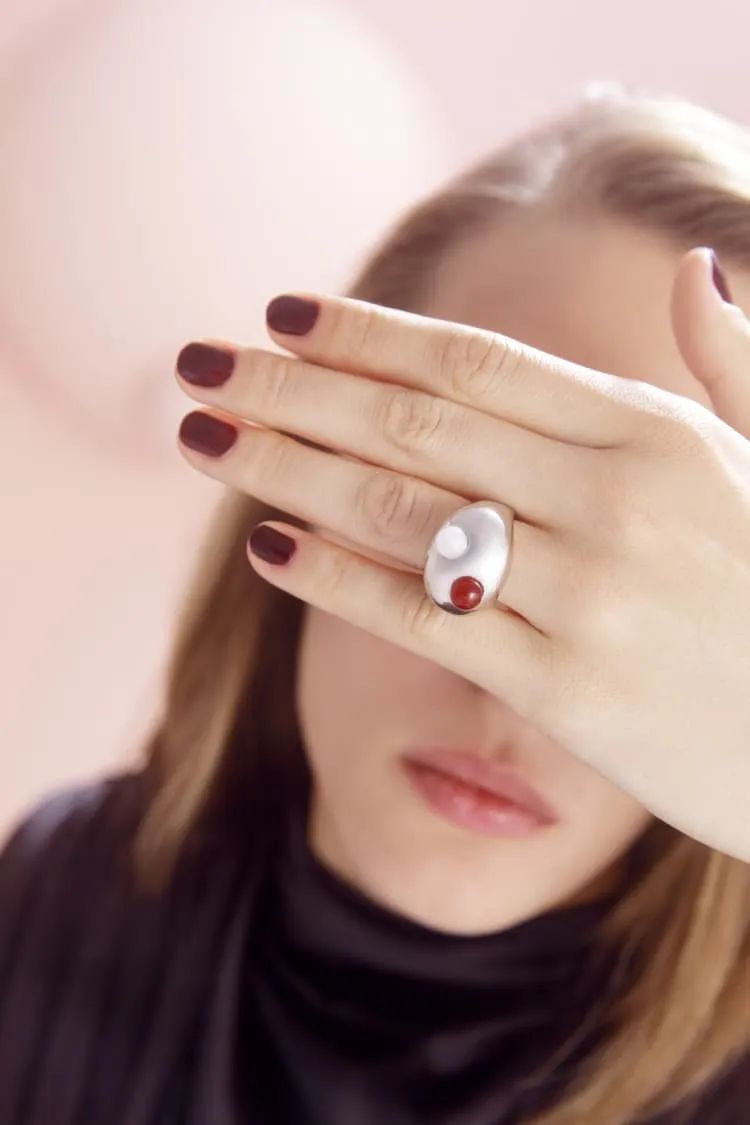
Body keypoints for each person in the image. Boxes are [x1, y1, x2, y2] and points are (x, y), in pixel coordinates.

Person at [1, 86, 750, 1125]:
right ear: (311, 471)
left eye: (630, 580)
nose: (511, 685)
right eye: (446, 514)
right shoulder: (65, 894)